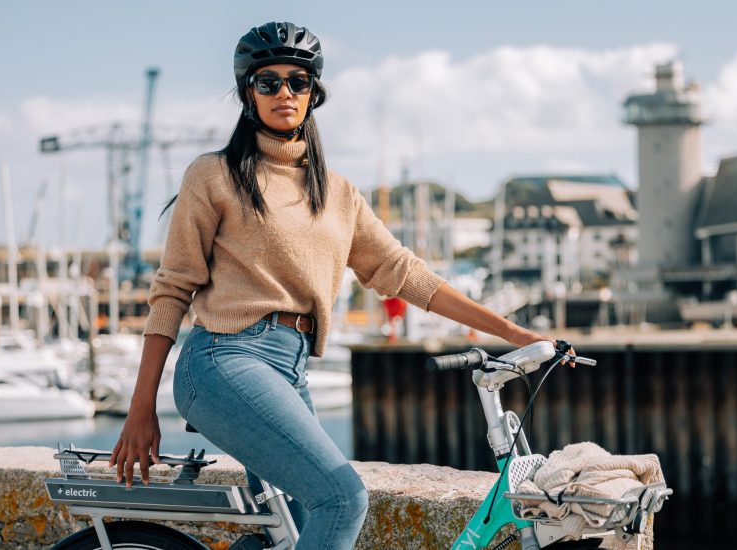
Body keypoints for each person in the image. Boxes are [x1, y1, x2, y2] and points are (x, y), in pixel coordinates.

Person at [110, 21, 570, 550]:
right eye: (269, 82)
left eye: (298, 82)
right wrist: (140, 408)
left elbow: (409, 275)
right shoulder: (213, 175)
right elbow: (172, 290)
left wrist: (515, 333)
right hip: (222, 362)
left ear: (313, 94)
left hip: (292, 367)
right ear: (247, 94)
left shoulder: (337, 194)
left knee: (303, 527)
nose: (285, 92)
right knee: (342, 498)